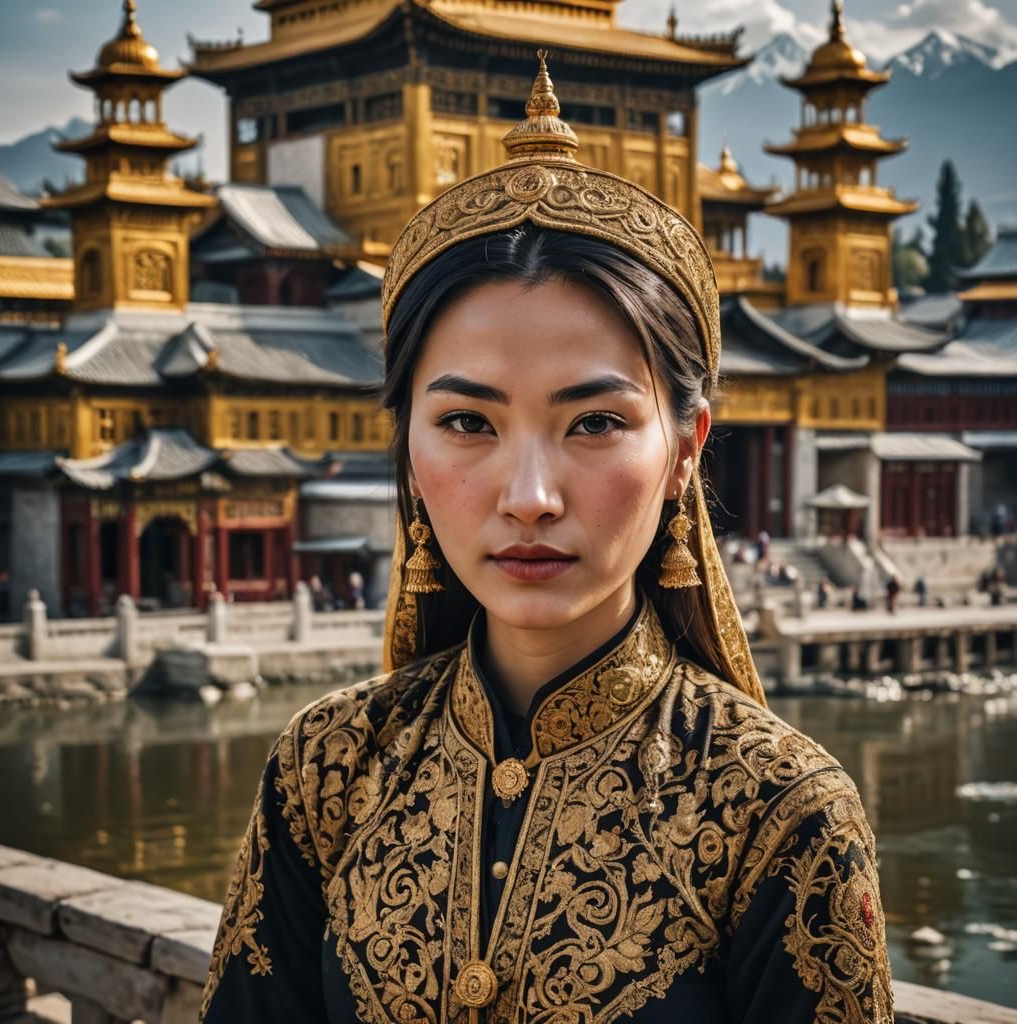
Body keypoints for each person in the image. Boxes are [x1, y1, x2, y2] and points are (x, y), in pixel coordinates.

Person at [201, 55, 892, 1023]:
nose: (528, 498)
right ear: (406, 446)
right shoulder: (327, 767)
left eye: (595, 422)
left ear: (685, 449)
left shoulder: (779, 811)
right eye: (467, 423)